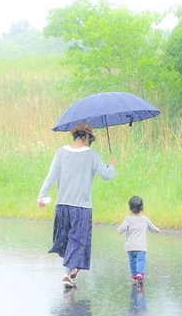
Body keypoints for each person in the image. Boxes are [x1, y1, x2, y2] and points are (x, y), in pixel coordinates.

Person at [38, 121, 116, 287]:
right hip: (82, 207)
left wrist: (41, 196)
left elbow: (50, 176)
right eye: (90, 139)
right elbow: (107, 175)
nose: (89, 142)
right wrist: (112, 165)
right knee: (78, 241)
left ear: (75, 134)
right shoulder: (92, 155)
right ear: (87, 136)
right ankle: (69, 272)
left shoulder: (60, 153)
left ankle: (69, 271)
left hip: (62, 206)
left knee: (67, 240)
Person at [117, 196, 159, 284]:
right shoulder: (145, 219)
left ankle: (134, 274)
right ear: (142, 207)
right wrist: (156, 230)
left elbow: (122, 228)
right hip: (140, 245)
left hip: (130, 246)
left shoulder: (128, 218)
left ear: (130, 208)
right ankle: (140, 273)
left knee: (132, 260)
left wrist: (119, 230)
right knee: (141, 259)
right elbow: (152, 227)